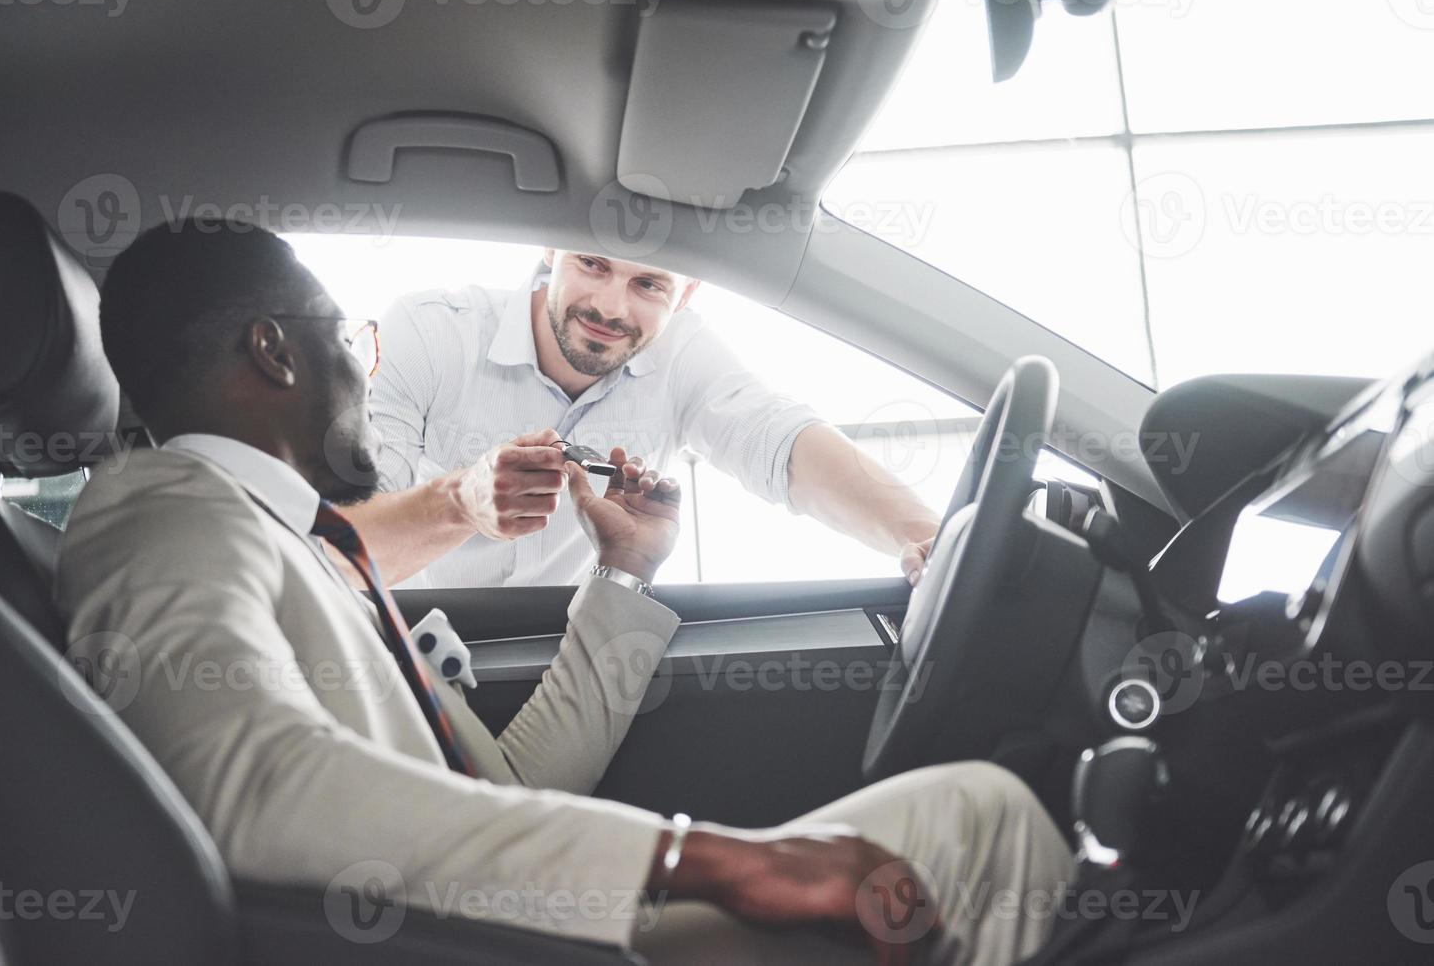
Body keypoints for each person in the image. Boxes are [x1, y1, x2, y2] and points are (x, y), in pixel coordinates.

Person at [56, 221, 1073, 965]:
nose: (362, 359)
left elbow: (503, 783)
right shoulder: (162, 506)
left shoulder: (311, 551)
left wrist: (624, 573)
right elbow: (256, 789)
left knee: (967, 818)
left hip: (505, 926)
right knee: (979, 819)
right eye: (340, 332)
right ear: (273, 350)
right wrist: (700, 857)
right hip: (469, 943)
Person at [346, 249, 944, 588]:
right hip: (412, 666)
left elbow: (780, 442)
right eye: (593, 264)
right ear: (552, 249)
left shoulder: (681, 351)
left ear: (684, 296)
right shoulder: (426, 331)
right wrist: (461, 502)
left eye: (649, 284)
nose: (611, 307)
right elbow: (341, 551)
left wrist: (931, 540)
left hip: (573, 666)